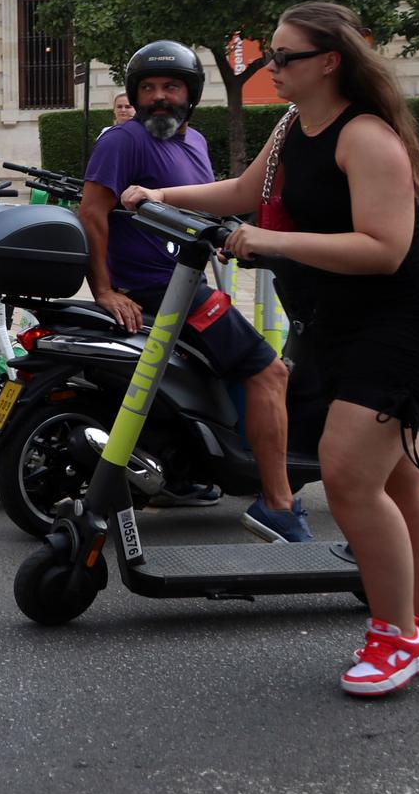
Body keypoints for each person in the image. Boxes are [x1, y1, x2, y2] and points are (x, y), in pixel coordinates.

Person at [124, 3, 419, 697]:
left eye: (283, 56)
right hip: (344, 321)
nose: (270, 66)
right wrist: (158, 192)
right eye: (269, 54)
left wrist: (271, 242)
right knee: (397, 480)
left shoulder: (366, 137)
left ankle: (394, 635)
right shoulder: (290, 128)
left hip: (409, 320)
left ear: (329, 61)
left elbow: (385, 247)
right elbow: (245, 193)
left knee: (349, 477)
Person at [82, 40, 306, 539]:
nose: (159, 97)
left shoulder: (195, 143)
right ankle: (278, 505)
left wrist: (229, 237)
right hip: (162, 288)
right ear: (135, 97)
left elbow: (201, 209)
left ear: (191, 93)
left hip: (188, 279)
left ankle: (194, 469)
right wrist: (103, 290)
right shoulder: (124, 141)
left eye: (170, 86)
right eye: (148, 88)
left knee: (227, 375)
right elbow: (92, 213)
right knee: (269, 372)